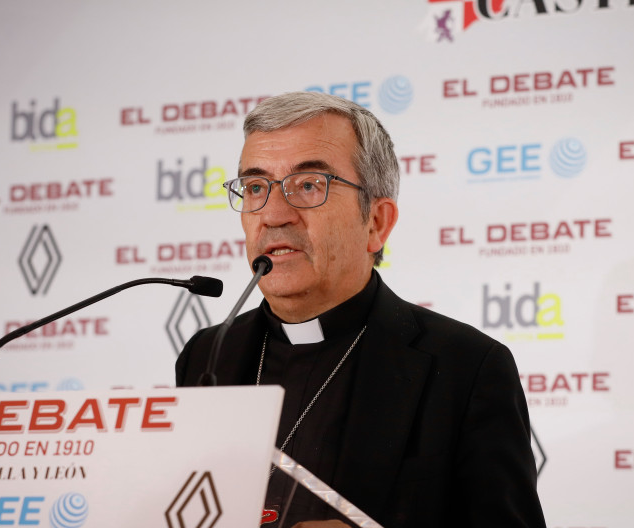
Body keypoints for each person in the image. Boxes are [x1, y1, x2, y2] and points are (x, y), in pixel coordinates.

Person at [176, 92, 545, 528]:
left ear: (376, 223)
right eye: (256, 187)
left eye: (309, 184)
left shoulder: (466, 366)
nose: (273, 214)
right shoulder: (207, 355)